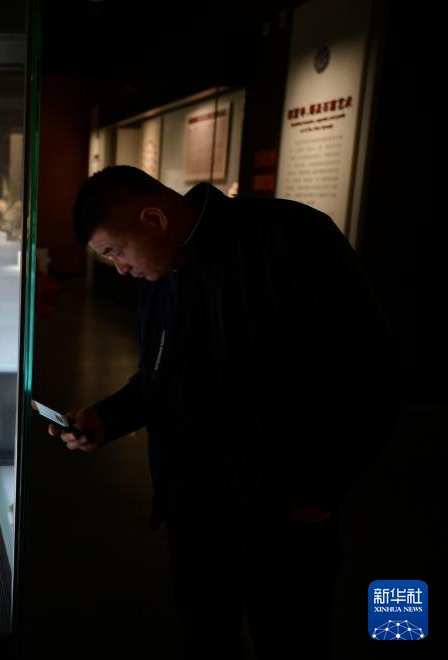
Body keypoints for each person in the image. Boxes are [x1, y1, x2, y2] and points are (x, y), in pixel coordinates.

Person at [47, 166, 398, 658]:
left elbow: (365, 370)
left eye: (116, 251)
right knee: (206, 639)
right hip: (195, 514)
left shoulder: (288, 236)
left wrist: (320, 492)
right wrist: (107, 418)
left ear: (153, 218)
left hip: (283, 512)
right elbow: (161, 374)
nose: (120, 269)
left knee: (292, 641)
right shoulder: (159, 272)